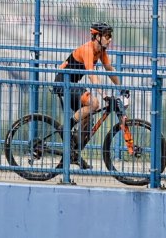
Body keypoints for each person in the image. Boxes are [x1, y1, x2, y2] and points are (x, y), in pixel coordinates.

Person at [53, 22, 124, 151]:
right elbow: (91, 75)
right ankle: (65, 128)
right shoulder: (88, 50)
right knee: (94, 103)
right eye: (107, 36)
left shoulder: (101, 51)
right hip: (63, 82)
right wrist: (104, 95)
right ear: (97, 37)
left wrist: (121, 87)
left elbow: (109, 68)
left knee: (87, 119)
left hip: (71, 83)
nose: (110, 39)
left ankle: (74, 152)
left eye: (110, 36)